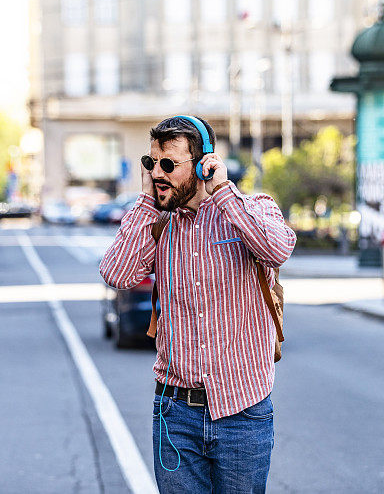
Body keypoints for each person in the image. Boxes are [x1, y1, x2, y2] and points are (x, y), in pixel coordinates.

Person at [99, 116, 296, 492]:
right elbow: (116, 274)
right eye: (151, 163)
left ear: (205, 162)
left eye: (169, 164)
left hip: (243, 411)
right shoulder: (159, 222)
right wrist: (146, 203)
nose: (157, 173)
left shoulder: (254, 207)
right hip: (175, 415)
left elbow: (276, 249)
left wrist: (222, 192)